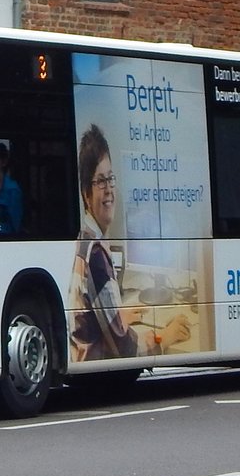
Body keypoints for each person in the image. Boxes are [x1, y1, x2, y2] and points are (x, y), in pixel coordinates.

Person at [69, 124, 190, 361]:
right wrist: (164, 337)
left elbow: (93, 323)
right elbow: (124, 348)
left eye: (110, 179)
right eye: (100, 182)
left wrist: (119, 315)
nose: (109, 190)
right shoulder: (95, 255)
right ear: (86, 194)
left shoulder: (86, 240)